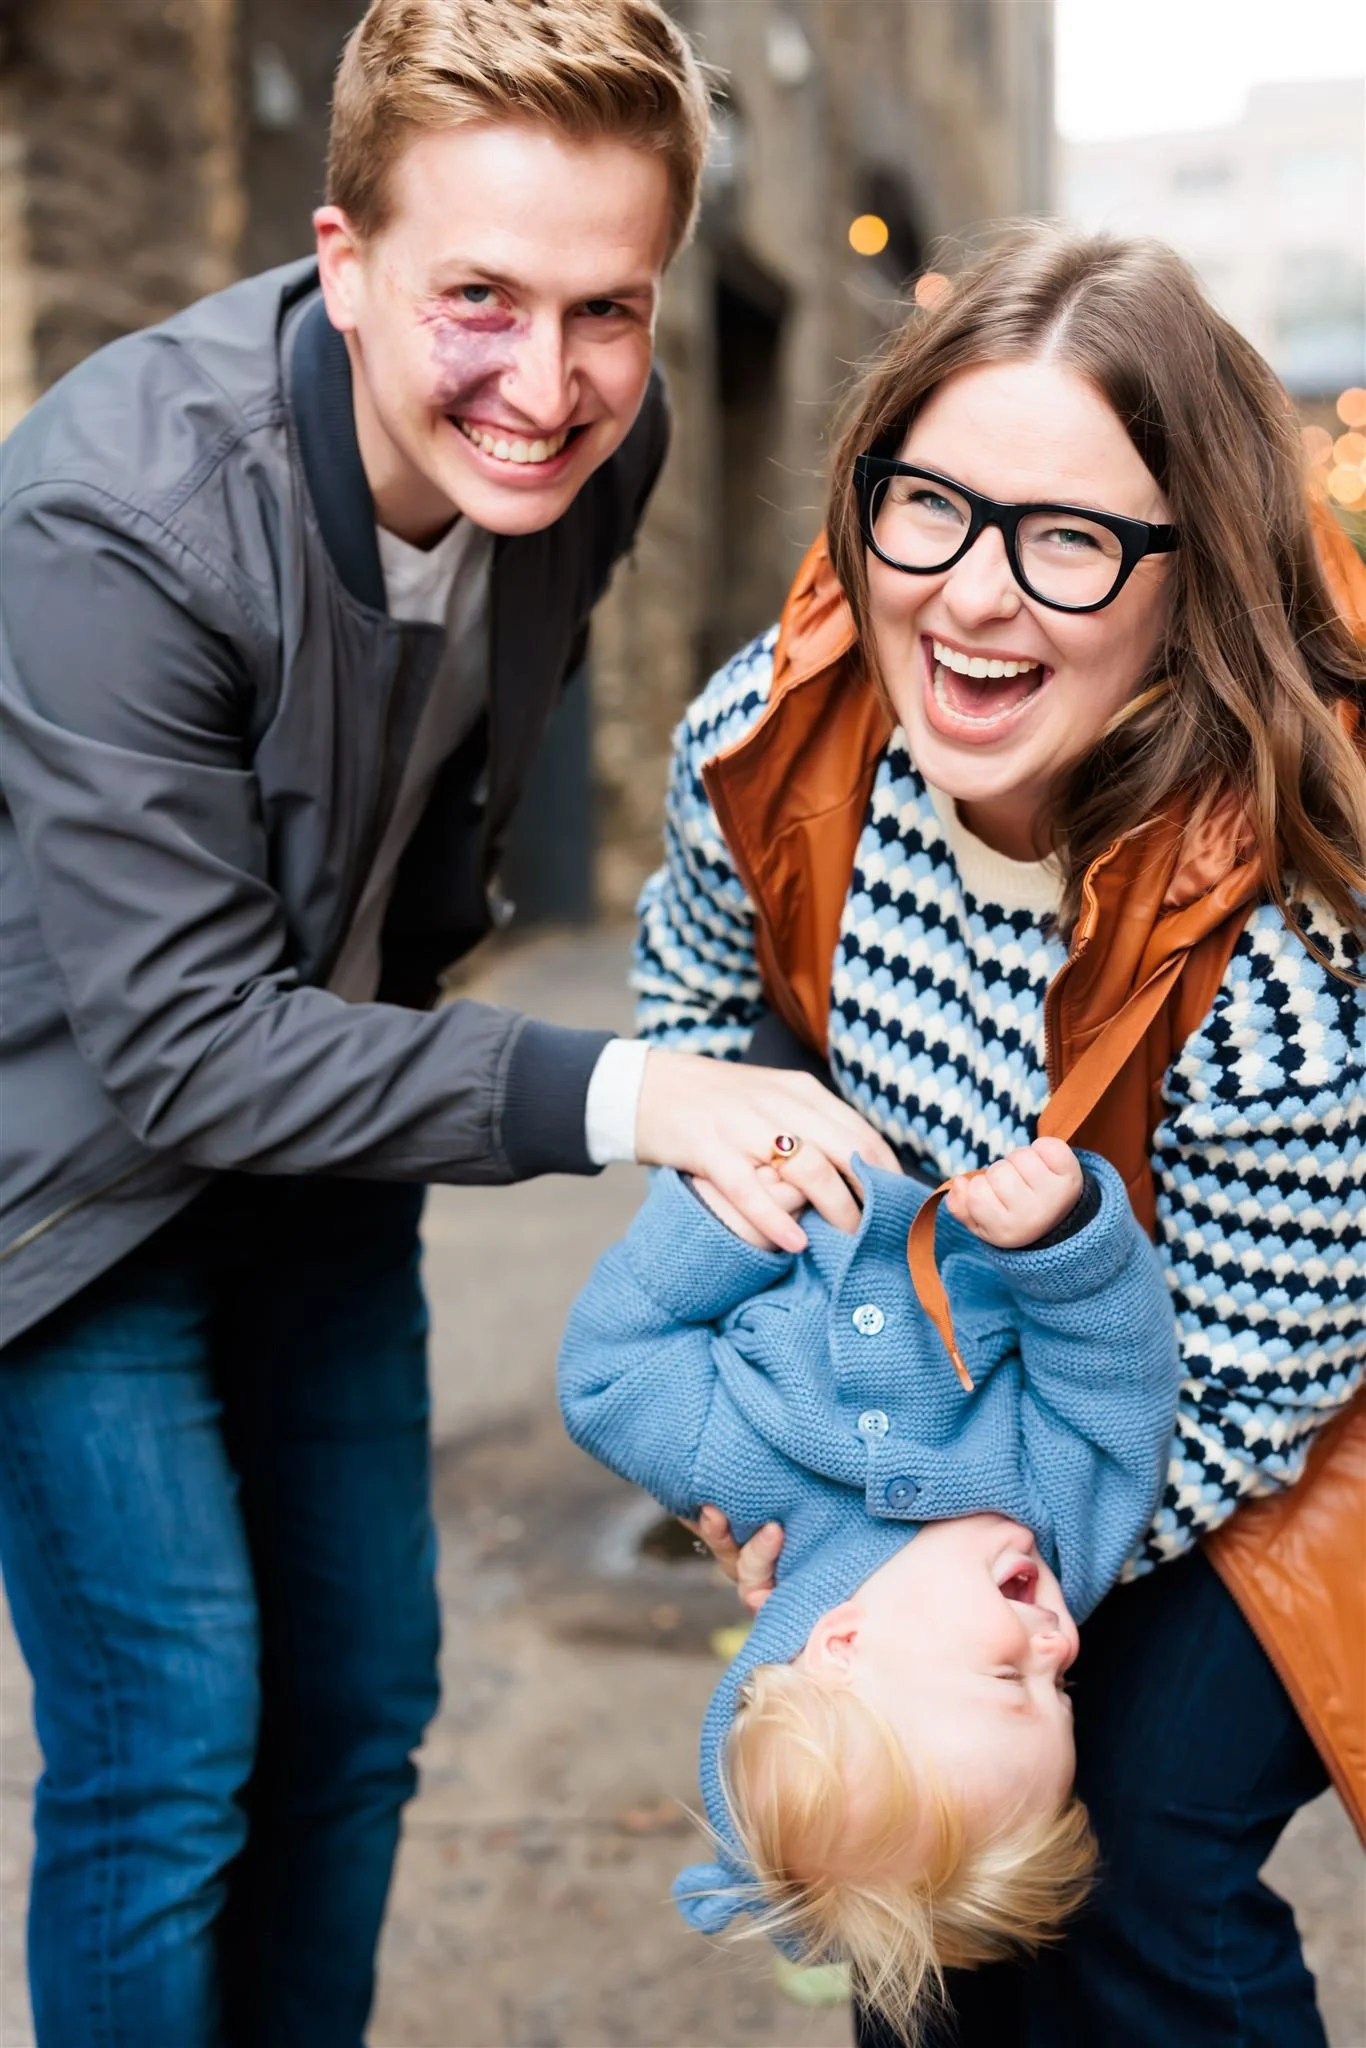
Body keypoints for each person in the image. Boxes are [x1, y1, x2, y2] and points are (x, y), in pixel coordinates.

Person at [0, 4, 901, 2042]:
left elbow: (440, 803)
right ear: (339, 261)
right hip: (55, 1168)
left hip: (317, 1122)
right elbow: (171, 1048)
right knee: (175, 1732)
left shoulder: (606, 441)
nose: (545, 381)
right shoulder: (116, 517)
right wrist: (630, 1089)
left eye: (608, 306)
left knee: (364, 1696)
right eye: (474, 297)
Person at [636, 224, 1366, 2047]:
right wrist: (771, 1414)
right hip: (964, 1379)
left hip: (1252, 1417)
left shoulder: (1276, 937)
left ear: (1187, 576)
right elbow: (692, 1012)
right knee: (910, 1831)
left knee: (1128, 1839)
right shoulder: (767, 740)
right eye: (930, 506)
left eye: (1069, 539)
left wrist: (941, 1548)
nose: (971, 596)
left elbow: (1268, 1361)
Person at [559, 1131, 1182, 2037]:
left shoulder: (747, 1495)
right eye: (1062, 1691)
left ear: (844, 1646)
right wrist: (1063, 1244)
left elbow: (609, 1375)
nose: (1061, 1642)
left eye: (1013, 1680)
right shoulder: (1057, 1529)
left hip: (787, 1157)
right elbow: (1118, 1388)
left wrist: (726, 1222)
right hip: (990, 1184)